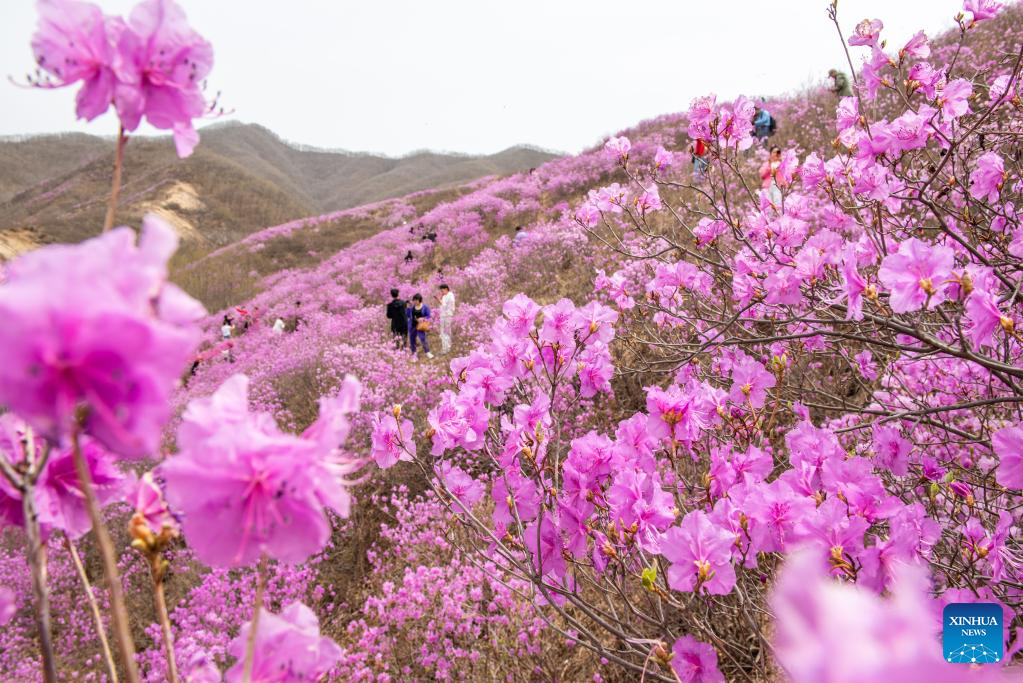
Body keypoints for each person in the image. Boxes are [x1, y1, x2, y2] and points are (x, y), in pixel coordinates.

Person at [408, 293, 434, 359]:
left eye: (416, 300)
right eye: (414, 300)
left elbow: (429, 316)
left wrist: (423, 318)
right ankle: (414, 354)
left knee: (423, 339)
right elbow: (408, 315)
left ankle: (427, 352)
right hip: (412, 325)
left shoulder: (425, 307)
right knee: (412, 340)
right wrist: (408, 308)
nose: (415, 302)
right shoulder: (412, 307)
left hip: (420, 326)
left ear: (420, 300)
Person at [437, 283, 455, 354]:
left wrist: (439, 300)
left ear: (446, 289)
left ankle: (447, 348)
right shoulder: (444, 296)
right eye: (441, 291)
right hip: (443, 315)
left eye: (442, 290)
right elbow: (442, 306)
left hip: (447, 316)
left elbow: (447, 306)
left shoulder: (450, 295)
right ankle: (445, 348)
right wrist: (440, 300)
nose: (441, 292)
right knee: (443, 331)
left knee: (446, 331)